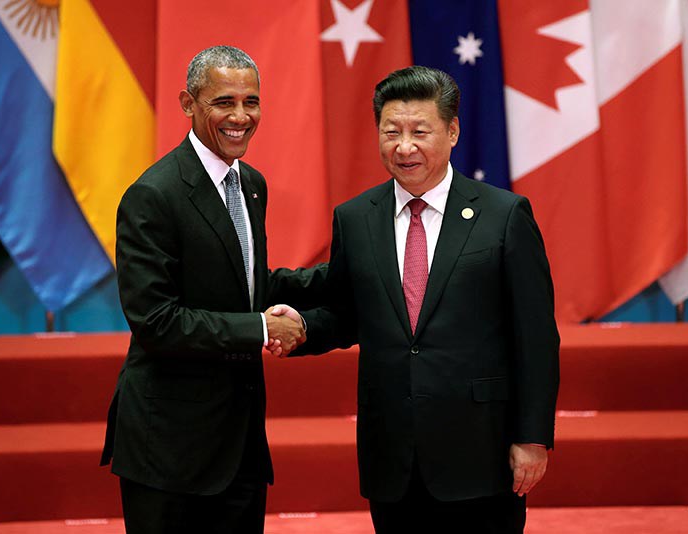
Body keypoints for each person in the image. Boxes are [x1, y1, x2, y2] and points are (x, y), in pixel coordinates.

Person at [283, 66, 560, 533]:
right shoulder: (355, 218)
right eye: (391, 132)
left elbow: (534, 336)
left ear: (452, 131)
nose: (404, 147)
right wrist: (302, 328)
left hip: (481, 450)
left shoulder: (504, 215)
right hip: (392, 454)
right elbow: (350, 313)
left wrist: (532, 437)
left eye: (420, 131)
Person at [100, 45, 323, 534]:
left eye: (251, 102)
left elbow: (249, 285)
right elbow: (157, 321)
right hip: (170, 449)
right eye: (224, 102)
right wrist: (261, 327)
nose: (241, 117)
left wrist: (347, 275)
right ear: (188, 103)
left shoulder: (253, 185)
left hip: (239, 444)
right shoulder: (153, 195)